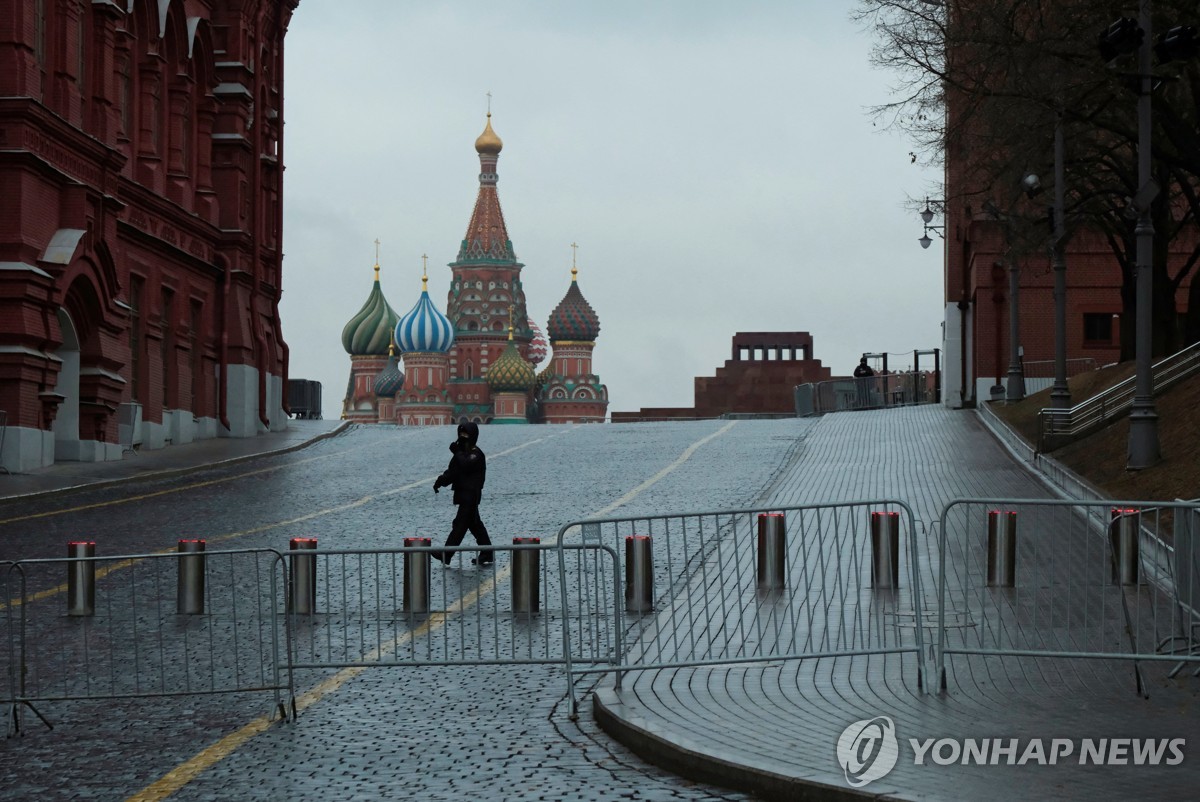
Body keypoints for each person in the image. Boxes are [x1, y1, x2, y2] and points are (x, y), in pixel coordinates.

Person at [431, 422, 493, 566]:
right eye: (461, 434)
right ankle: (487, 552)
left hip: (471, 496)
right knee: (475, 525)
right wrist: (440, 481)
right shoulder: (462, 453)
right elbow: (454, 471)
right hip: (463, 495)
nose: (463, 437)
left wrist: (457, 452)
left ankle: (446, 554)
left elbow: (465, 465)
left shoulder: (476, 454)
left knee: (459, 525)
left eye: (466, 435)